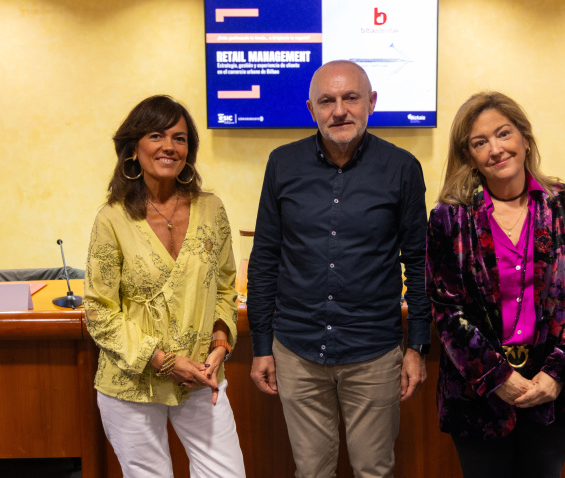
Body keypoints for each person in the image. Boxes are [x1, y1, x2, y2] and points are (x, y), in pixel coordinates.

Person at [246, 60, 431, 478]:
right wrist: (261, 345)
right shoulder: (282, 164)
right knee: (311, 472)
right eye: (327, 101)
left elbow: (418, 263)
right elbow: (266, 258)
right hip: (297, 351)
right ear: (311, 109)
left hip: (374, 353)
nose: (339, 110)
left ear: (372, 103)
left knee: (374, 470)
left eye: (351, 98)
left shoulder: (402, 168)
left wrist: (417, 347)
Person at [426, 92, 565, 478]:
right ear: (468, 155)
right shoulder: (449, 218)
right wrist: (497, 378)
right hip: (478, 392)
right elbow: (446, 310)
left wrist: (556, 374)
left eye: (503, 134)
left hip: (552, 390)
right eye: (479, 142)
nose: (495, 149)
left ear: (524, 137)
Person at [84, 95, 245, 478]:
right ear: (133, 148)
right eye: (157, 135)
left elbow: (224, 287)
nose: (170, 147)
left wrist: (221, 342)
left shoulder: (211, 209)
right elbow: (99, 311)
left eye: (180, 138)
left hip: (201, 378)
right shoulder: (112, 219)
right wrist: (166, 362)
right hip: (131, 384)